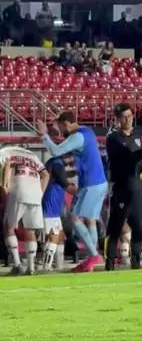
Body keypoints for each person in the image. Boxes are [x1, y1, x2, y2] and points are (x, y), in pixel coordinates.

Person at [37, 113, 108, 273]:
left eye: (60, 127)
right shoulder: (87, 132)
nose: (61, 131)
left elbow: (56, 151)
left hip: (90, 183)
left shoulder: (78, 136)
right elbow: (71, 149)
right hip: (100, 182)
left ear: (66, 123)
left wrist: (44, 135)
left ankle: (94, 255)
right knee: (90, 220)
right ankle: (90, 261)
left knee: (73, 217)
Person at [104, 103, 142, 271]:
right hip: (121, 188)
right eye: (124, 117)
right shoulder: (113, 138)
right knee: (115, 228)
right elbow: (126, 159)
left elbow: (140, 162)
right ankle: (109, 265)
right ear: (117, 119)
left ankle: (136, 264)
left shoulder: (137, 136)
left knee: (140, 228)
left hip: (137, 187)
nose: (128, 120)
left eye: (130, 116)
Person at [0, 145, 49, 275]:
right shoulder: (33, 157)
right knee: (30, 229)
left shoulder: (7, 151)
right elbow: (46, 175)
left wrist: (5, 187)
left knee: (9, 226)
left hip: (18, 190)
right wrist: (40, 193)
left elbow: (7, 165)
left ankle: (17, 264)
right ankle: (31, 268)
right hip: (35, 193)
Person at [42, 156, 76, 271]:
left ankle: (59, 266)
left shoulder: (53, 162)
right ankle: (46, 267)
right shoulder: (57, 164)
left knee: (60, 236)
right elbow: (65, 184)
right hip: (51, 208)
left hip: (53, 208)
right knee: (54, 238)